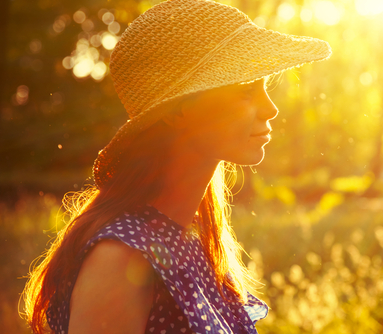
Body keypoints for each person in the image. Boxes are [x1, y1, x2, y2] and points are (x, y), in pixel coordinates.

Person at [22, 0, 331, 333]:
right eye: (245, 90)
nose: (270, 109)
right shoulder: (121, 259)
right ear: (178, 110)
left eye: (265, 88)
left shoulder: (191, 242)